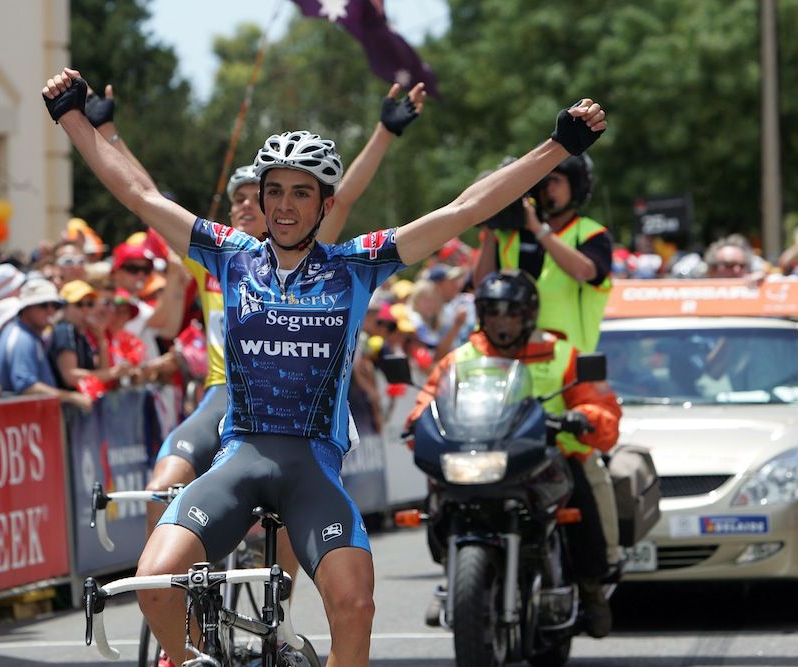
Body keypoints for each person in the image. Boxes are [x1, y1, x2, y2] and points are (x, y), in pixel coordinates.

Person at [43, 66, 606, 666]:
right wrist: (73, 117)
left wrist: (558, 147)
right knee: (156, 584)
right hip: (240, 458)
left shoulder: (355, 265)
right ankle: (200, 657)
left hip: (312, 465)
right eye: (275, 192)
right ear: (259, 199)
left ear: (325, 203)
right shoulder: (229, 256)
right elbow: (141, 196)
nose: (285, 207)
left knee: (355, 608)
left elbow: (463, 209)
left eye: (302, 192)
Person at [406, 269, 621, 638]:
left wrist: (583, 418)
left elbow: (603, 407)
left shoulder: (561, 353)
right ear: (481, 315)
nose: (501, 321)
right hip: (480, 457)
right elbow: (427, 402)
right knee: (437, 498)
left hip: (549, 456)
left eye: (511, 312)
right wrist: (418, 424)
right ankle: (451, 575)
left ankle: (590, 587)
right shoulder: (461, 358)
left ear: (529, 315)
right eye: (493, 312)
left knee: (583, 498)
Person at [474, 153, 612, 352]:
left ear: (576, 185)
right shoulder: (511, 234)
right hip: (507, 359)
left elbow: (585, 272)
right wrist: (489, 228)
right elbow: (482, 285)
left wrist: (538, 229)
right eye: (542, 182)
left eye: (554, 181)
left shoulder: (592, 234)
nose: (546, 189)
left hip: (566, 365)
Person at [0, 277, 92, 411]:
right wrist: (71, 397)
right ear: (26, 308)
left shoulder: (30, 335)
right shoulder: (22, 338)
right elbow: (27, 386)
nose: (50, 311)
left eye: (54, 306)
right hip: (24, 423)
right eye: (43, 305)